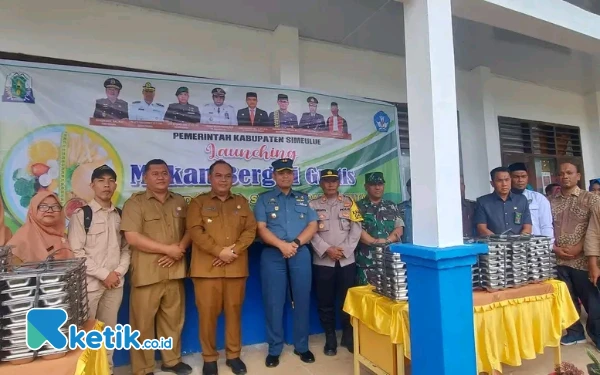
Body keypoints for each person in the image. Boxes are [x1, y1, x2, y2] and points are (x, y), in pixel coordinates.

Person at [120, 159, 192, 375]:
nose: (161, 177)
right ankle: (143, 368)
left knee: (173, 321)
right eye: (155, 173)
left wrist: (178, 249)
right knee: (142, 325)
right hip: (147, 273)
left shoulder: (179, 201)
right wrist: (167, 250)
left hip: (175, 270)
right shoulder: (135, 203)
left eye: (164, 173)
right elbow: (132, 237)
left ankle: (172, 361)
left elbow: (191, 230)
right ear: (145, 177)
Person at [187, 160, 257, 375]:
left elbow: (250, 229)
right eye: (218, 175)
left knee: (234, 313)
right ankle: (209, 359)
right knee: (207, 316)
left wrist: (233, 252)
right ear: (210, 178)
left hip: (236, 269)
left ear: (232, 179)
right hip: (207, 270)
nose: (223, 179)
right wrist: (220, 252)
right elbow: (195, 231)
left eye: (227, 176)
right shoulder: (198, 203)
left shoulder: (241, 202)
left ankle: (234, 356)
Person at [254, 158, 318, 368]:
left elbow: (312, 224)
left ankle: (302, 346)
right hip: (273, 254)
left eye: (288, 173)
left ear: (293, 175)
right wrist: (282, 246)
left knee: (302, 300)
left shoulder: (303, 198)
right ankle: (274, 349)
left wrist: (296, 243)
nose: (285, 176)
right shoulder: (264, 200)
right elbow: (261, 228)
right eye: (280, 173)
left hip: (300, 252)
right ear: (273, 176)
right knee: (273, 302)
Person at [67, 165, 130, 373]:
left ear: (115, 185)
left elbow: (127, 249)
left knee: (109, 333)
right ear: (92, 185)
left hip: (115, 285)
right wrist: (105, 275)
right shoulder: (82, 215)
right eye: (101, 180)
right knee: (87, 334)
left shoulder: (121, 215)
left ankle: (107, 370)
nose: (106, 184)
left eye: (111, 180)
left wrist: (117, 273)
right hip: (89, 286)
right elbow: (76, 252)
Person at [309, 169, 362, 356]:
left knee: (347, 300)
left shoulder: (350, 203)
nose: (330, 184)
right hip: (323, 261)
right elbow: (310, 232)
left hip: (346, 261)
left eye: (333, 180)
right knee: (325, 302)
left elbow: (356, 230)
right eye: (326, 181)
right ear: (321, 184)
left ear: (339, 183)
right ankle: (330, 337)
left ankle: (348, 336)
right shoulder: (312, 205)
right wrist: (327, 249)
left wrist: (344, 250)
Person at [550, 162, 600, 348]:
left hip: (583, 261)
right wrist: (555, 248)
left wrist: (580, 246)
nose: (565, 176)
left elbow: (595, 228)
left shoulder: (591, 199)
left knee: (592, 301)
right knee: (566, 299)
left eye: (569, 173)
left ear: (578, 176)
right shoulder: (550, 201)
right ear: (557, 177)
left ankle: (597, 335)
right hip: (558, 259)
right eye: (561, 173)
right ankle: (574, 332)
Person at [356, 172, 404, 285]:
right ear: (366, 187)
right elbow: (357, 230)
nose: (377, 187)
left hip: (389, 261)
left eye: (380, 184)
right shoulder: (357, 206)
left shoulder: (391, 205)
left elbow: (399, 228)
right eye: (373, 184)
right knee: (366, 297)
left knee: (389, 297)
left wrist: (387, 241)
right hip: (367, 263)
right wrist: (375, 242)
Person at [8, 191, 72, 264]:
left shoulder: (63, 236)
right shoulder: (22, 238)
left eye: (55, 206)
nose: (50, 210)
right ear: (33, 209)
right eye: (43, 206)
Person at [474, 167, 532, 236]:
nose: (504, 184)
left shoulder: (522, 200)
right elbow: (482, 228)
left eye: (507, 180)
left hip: (518, 244)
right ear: (492, 183)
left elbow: (527, 226)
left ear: (510, 181)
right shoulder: (483, 202)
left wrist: (518, 241)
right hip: (493, 244)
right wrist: (499, 241)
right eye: (499, 181)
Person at [508, 163, 553, 238]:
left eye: (523, 176)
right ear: (509, 178)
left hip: (535, 245)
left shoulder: (538, 198)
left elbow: (546, 225)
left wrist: (548, 246)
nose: (520, 180)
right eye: (516, 177)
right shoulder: (503, 199)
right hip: (510, 243)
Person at [398, 179, 412, 244]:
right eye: (410, 187)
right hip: (405, 248)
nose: (412, 189)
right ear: (407, 189)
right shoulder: (400, 207)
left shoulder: (427, 208)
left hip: (424, 248)